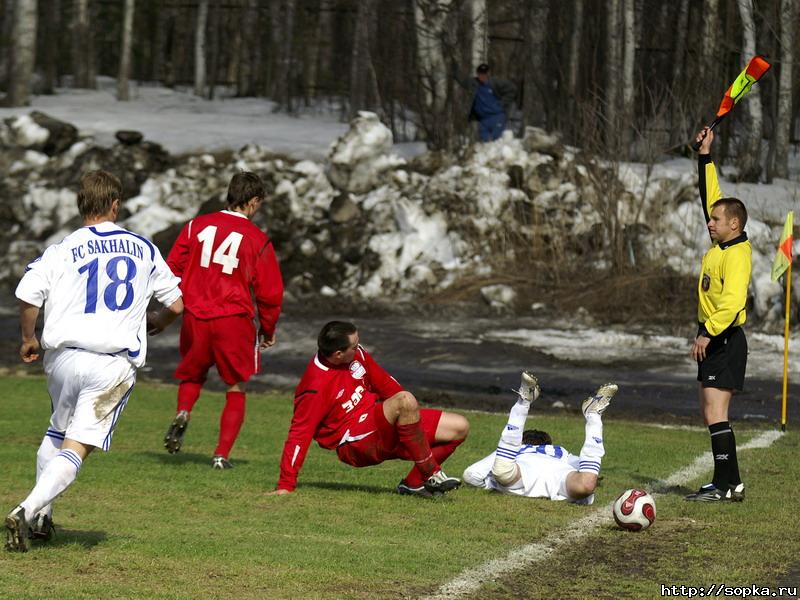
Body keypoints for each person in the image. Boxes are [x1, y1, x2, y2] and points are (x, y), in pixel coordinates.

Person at [5, 170, 183, 552]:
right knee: (77, 445)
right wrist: (158, 322)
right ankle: (27, 509)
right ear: (115, 205)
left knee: (56, 432)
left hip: (64, 358)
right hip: (112, 363)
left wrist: (27, 338)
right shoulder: (144, 248)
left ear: (80, 203)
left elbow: (28, 295)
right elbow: (176, 303)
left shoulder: (62, 247)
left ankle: (42, 521)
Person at [162, 171, 284, 469]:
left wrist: (177, 302)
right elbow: (270, 293)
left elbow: (170, 268)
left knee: (192, 375)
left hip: (195, 316)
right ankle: (220, 455)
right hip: (233, 319)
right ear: (254, 201)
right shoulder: (257, 239)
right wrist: (267, 329)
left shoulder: (196, 226)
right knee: (236, 386)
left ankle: (184, 411)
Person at [268, 321, 469, 497]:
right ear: (338, 354)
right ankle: (431, 473)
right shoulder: (314, 387)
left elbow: (386, 385)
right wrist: (286, 484)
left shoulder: (356, 355)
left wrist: (409, 415)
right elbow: (299, 434)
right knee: (405, 400)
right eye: (354, 346)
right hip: (353, 442)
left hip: (377, 420)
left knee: (459, 427)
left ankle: (414, 485)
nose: (359, 348)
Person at [684, 128, 751, 503]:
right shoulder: (722, 241)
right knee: (711, 412)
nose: (710, 222)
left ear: (734, 225)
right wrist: (705, 156)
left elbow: (731, 301)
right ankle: (728, 482)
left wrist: (707, 333)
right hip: (715, 336)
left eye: (717, 220)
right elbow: (712, 196)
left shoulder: (738, 253)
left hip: (723, 338)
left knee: (715, 412)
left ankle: (728, 485)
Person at [463, 372, 617, 505]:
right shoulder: (559, 451)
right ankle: (593, 415)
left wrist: (490, 484)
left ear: (522, 441)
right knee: (587, 485)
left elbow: (471, 474)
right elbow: (586, 465)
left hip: (528, 477)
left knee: (502, 471)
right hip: (541, 476)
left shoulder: (520, 449)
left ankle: (524, 402)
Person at [454, 62, 517, 142]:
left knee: (497, 142)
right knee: (485, 144)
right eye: (480, 74)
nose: (482, 76)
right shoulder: (474, 84)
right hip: (483, 121)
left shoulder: (495, 83)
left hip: (497, 117)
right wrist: (455, 70)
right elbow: (463, 80)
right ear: (477, 74)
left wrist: (503, 103)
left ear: (488, 73)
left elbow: (512, 89)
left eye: (484, 73)